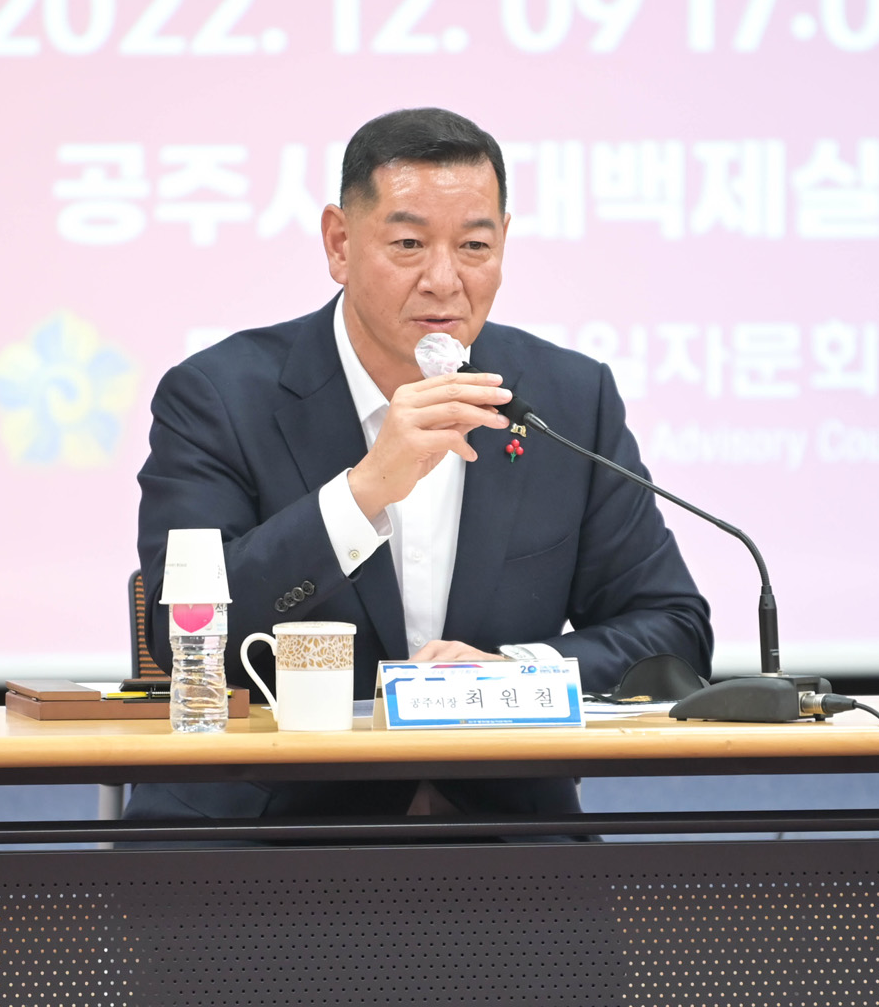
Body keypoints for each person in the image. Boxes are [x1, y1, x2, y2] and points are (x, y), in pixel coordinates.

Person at [125, 107, 711, 824]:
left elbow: (672, 630)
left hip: (507, 836)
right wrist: (364, 491)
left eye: (473, 246)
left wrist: (515, 673)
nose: (443, 279)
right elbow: (184, 632)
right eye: (407, 243)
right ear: (339, 244)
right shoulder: (219, 396)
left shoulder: (567, 398)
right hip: (273, 832)